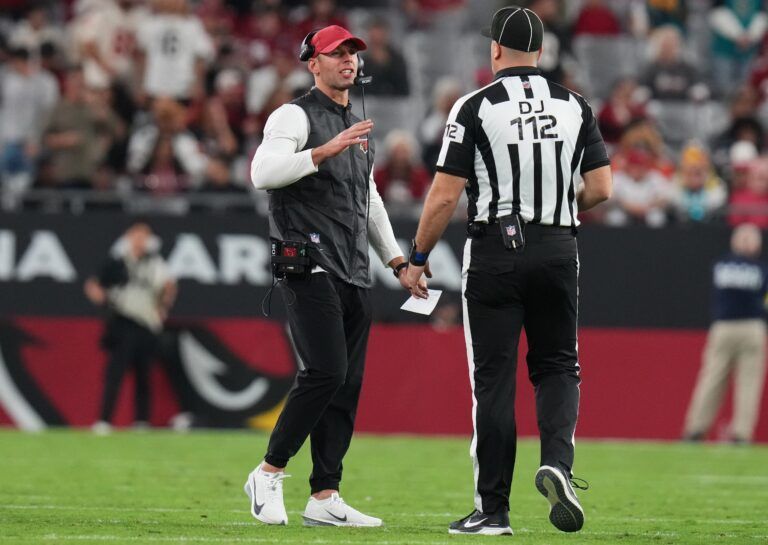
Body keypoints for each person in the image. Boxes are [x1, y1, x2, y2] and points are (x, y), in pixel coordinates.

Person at [404, 5, 612, 535]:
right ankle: (557, 465)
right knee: (559, 366)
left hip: (497, 249)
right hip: (559, 246)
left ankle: (493, 510)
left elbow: (444, 195)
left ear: (495, 48)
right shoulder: (575, 105)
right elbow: (603, 188)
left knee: (493, 383)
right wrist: (558, 209)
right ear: (540, 52)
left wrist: (419, 257)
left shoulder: (473, 106)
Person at [245, 24, 426, 528]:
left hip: (354, 270)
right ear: (313, 63)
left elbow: (366, 201)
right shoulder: (293, 114)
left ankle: (325, 495)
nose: (348, 60)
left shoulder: (355, 122)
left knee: (345, 384)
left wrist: (396, 262)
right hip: (308, 262)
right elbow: (262, 174)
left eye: (352, 53)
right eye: (336, 53)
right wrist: (326, 150)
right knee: (325, 371)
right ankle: (267, 471)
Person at [84, 222, 177, 434]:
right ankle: (104, 421)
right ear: (128, 237)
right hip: (123, 321)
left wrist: (162, 307)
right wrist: (104, 301)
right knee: (114, 374)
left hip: (146, 324)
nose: (139, 240)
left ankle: (141, 422)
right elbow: (93, 284)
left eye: (144, 236)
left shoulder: (155, 264)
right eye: (136, 235)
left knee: (143, 375)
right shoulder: (117, 262)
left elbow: (169, 285)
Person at [682, 224, 767, 444]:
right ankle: (741, 433)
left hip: (724, 327)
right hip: (752, 327)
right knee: (748, 383)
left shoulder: (721, 264)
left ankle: (696, 429)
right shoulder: (761, 269)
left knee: (712, 379)